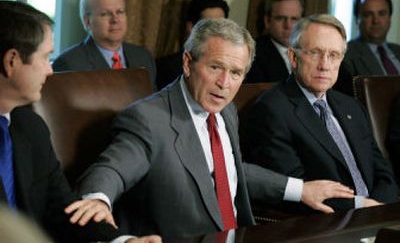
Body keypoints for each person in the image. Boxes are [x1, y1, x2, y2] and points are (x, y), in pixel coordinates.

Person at [66, 18, 355, 240]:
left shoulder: (224, 109)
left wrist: (299, 189)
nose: (225, 83)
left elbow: (228, 171)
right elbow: (113, 168)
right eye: (216, 68)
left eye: (236, 73)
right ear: (188, 63)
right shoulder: (148, 119)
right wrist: (98, 200)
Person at [0, 0, 160, 243]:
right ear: (12, 61)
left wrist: (122, 241)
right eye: (45, 58)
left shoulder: (30, 126)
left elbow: (63, 209)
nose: (50, 71)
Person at [242, 14, 398, 214]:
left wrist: (379, 208)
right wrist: (361, 207)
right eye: (315, 53)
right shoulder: (272, 110)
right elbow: (298, 190)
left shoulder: (350, 105)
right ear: (293, 57)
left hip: (376, 214)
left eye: (334, 55)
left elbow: (383, 172)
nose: (325, 65)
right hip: (330, 222)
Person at [52, 0, 157, 87]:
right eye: (105, 14)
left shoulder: (143, 57)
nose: (115, 20)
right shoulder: (69, 64)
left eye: (120, 12)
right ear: (87, 21)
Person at [156, 0, 229, 89]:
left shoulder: (233, 67)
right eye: (209, 26)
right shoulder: (166, 68)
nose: (217, 32)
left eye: (221, 25)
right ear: (190, 28)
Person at [337, 0, 400, 94]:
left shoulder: (397, 50)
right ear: (357, 19)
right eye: (368, 15)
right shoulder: (345, 55)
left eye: (382, 13)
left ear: (389, 18)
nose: (376, 21)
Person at [245, 0, 303, 83]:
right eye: (280, 18)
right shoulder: (253, 53)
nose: (288, 26)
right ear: (267, 21)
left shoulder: (310, 51)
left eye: (294, 19)